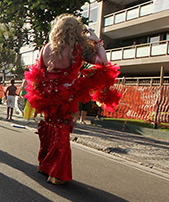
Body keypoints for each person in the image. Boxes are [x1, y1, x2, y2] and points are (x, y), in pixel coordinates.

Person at [24, 15, 120, 185]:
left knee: (48, 127)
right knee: (61, 130)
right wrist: (97, 42)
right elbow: (103, 62)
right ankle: (57, 174)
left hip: (47, 95)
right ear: (76, 31)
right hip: (66, 95)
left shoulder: (46, 48)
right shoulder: (78, 49)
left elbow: (39, 73)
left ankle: (45, 165)